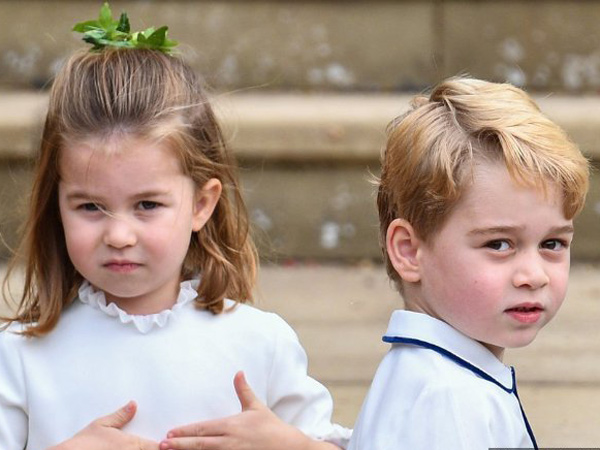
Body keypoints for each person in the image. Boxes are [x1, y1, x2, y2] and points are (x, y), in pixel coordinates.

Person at [0, 5, 350, 450]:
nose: (119, 235)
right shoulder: (20, 358)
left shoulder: (261, 343)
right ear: (57, 207)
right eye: (90, 206)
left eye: (147, 205)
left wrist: (289, 445)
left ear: (202, 205)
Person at [348, 77, 589, 450]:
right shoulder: (450, 399)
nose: (534, 275)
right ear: (410, 251)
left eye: (552, 243)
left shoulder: (435, 376)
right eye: (499, 244)